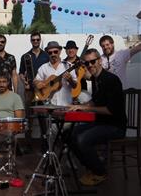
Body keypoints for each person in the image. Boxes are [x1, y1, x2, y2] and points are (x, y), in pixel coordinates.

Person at [69, 48, 127, 186]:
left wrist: (86, 108)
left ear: (99, 61)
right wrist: (78, 107)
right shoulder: (96, 80)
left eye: (93, 62)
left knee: (82, 139)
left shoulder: (111, 80)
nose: (90, 65)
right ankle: (92, 167)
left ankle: (100, 172)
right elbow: (95, 101)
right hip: (101, 123)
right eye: (87, 63)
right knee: (70, 134)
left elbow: (110, 110)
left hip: (115, 126)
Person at [19, 32, 49, 141]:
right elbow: (21, 73)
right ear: (30, 41)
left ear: (40, 40)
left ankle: (45, 140)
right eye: (33, 40)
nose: (35, 41)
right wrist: (24, 81)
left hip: (43, 90)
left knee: (43, 116)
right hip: (29, 90)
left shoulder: (46, 55)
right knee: (29, 116)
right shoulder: (25, 56)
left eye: (37, 39)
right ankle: (28, 141)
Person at [34, 41, 77, 106]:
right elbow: (35, 80)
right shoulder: (43, 67)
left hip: (66, 105)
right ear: (47, 53)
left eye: (55, 52)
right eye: (50, 52)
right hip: (49, 106)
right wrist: (38, 83)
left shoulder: (68, 66)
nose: (53, 54)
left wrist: (70, 79)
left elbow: (75, 86)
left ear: (60, 51)